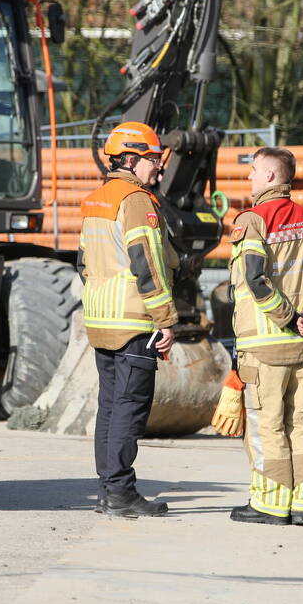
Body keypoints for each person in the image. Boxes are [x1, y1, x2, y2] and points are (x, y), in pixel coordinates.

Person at [228, 146, 303, 526]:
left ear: (270, 177)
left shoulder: (253, 221)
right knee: (302, 424)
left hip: (266, 346)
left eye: (254, 172)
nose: (249, 178)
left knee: (268, 425)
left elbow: (254, 278)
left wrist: (288, 317)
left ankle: (270, 504)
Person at [77, 121, 179, 518]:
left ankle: (108, 489)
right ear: (132, 159)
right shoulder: (136, 201)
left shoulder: (95, 199)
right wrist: (165, 318)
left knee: (110, 406)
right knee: (130, 407)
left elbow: (83, 262)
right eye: (154, 159)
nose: (159, 167)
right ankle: (121, 492)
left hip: (101, 319)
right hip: (133, 320)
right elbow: (148, 263)